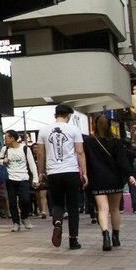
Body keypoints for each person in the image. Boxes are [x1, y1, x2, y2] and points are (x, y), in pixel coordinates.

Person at [41, 105, 85, 251]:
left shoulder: (44, 130)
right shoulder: (74, 130)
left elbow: (41, 154)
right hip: (71, 171)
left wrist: (41, 172)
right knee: (73, 206)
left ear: (55, 114)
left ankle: (58, 222)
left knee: (58, 203)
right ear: (69, 116)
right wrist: (84, 172)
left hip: (53, 173)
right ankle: (73, 240)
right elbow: (79, 152)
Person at [84, 126, 125, 250]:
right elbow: (123, 161)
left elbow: (86, 160)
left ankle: (105, 236)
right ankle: (116, 237)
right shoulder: (117, 142)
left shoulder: (89, 142)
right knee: (115, 209)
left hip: (98, 179)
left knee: (102, 210)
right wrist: (129, 175)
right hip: (115, 179)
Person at [1, 131, 34, 231]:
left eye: (6, 138)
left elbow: (31, 164)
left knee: (26, 199)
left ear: (12, 138)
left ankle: (24, 217)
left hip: (23, 177)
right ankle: (16, 222)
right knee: (12, 202)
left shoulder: (25, 148)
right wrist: (3, 161)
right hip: (10, 178)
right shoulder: (5, 149)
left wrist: (35, 178)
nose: (5, 140)